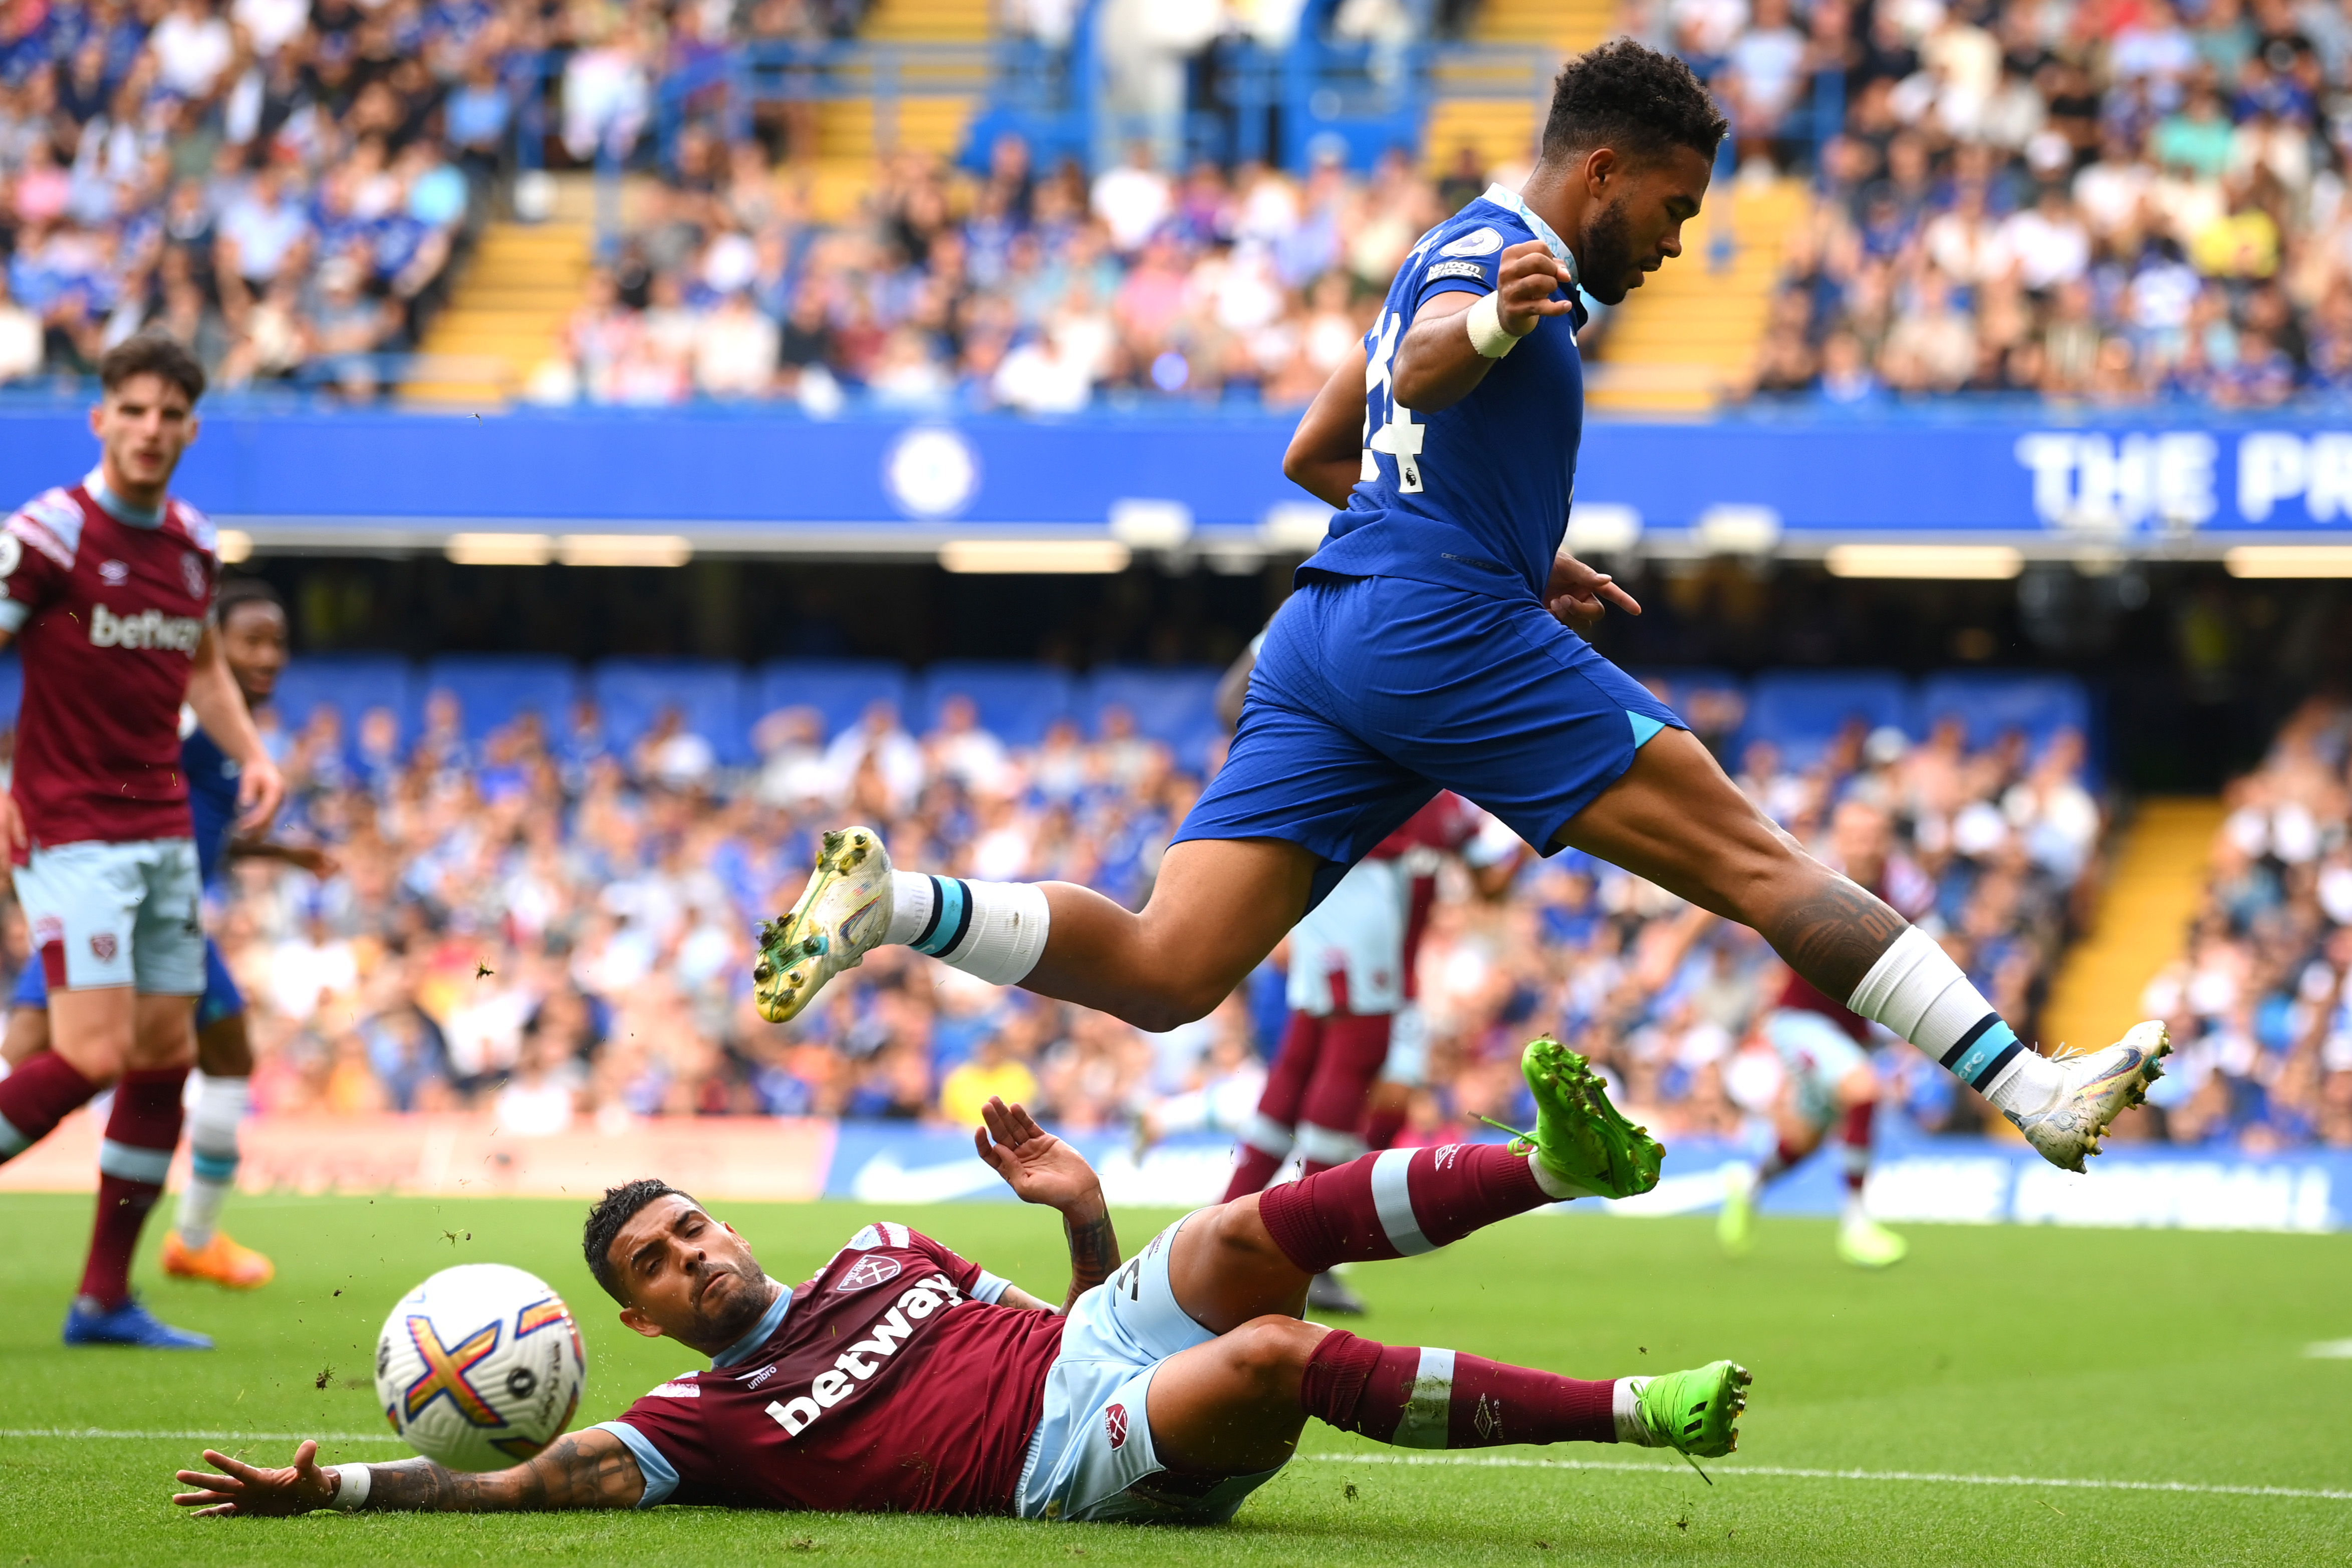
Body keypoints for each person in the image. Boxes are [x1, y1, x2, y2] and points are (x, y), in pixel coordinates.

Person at [750, 40, 2165, 1177]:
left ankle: (905, 904)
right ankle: (2022, 1085)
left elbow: (1322, 453)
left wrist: (1503, 536)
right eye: (1671, 208)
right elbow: (1432, 364)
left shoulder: (1444, 243)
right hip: (1436, 630)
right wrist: (1491, 331)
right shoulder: (1500, 263)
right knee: (1758, 863)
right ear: (1602, 171)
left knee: (1167, 965)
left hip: (1329, 633)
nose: (1672, 243)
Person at [171, 1043, 1751, 1523]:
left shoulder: (883, 1248)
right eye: (656, 1260)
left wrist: (1079, 1212)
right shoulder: (691, 1419)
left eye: (693, 1224)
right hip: (1074, 1458)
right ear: (635, 1317)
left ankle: (1557, 1162)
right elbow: (525, 1479)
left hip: (1087, 1346)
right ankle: (1638, 1408)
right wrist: (350, 1494)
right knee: (1269, 1347)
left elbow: (1061, 1324)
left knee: (1233, 1231)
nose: (694, 1248)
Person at [0, 332, 285, 1349]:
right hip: (71, 825)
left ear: (190, 429)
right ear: (100, 419)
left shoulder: (192, 544)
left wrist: (250, 751)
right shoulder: (47, 533)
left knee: (164, 1058)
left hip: (161, 827)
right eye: (133, 410)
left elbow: (201, 662)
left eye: (170, 414)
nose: (150, 430)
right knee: (87, 1053)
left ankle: (104, 1299)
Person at [2, 577, 332, 1289]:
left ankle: (188, 1242)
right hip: (116, 906)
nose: (268, 655)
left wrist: (280, 854)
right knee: (37, 1061)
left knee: (217, 1052)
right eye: (251, 640)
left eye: (277, 641)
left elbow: (203, 831)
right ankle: (186, 1242)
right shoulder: (183, 717)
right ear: (211, 643)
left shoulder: (235, 735)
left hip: (161, 910)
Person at [1222, 790, 1520, 1316]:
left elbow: (1490, 883)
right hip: (1355, 901)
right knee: (1351, 1064)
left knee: (1317, 1070)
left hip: (1389, 968)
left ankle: (1229, 1226)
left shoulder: (1447, 805)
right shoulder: (1387, 764)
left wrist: (1537, 832)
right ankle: (1309, 1243)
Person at [1717, 801, 1925, 1269]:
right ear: (1840, 837)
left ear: (1886, 838)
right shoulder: (1818, 881)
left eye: (1873, 833)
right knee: (1864, 1091)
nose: (1864, 844)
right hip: (1799, 1022)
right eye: (1854, 834)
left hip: (1852, 1032)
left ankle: (1746, 1184)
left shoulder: (1905, 889)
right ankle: (1856, 1224)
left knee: (1806, 1140)